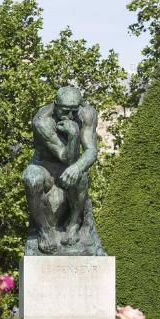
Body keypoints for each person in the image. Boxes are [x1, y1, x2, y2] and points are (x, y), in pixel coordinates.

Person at [23, 86, 99, 254]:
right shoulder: (42, 121)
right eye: (65, 111)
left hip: (69, 166)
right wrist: (73, 135)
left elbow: (92, 150)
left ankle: (74, 224)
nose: (70, 116)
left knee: (81, 174)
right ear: (55, 105)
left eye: (74, 110)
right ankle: (44, 232)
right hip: (44, 166)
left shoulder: (87, 114)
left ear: (80, 106)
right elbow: (65, 156)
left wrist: (77, 167)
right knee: (31, 178)